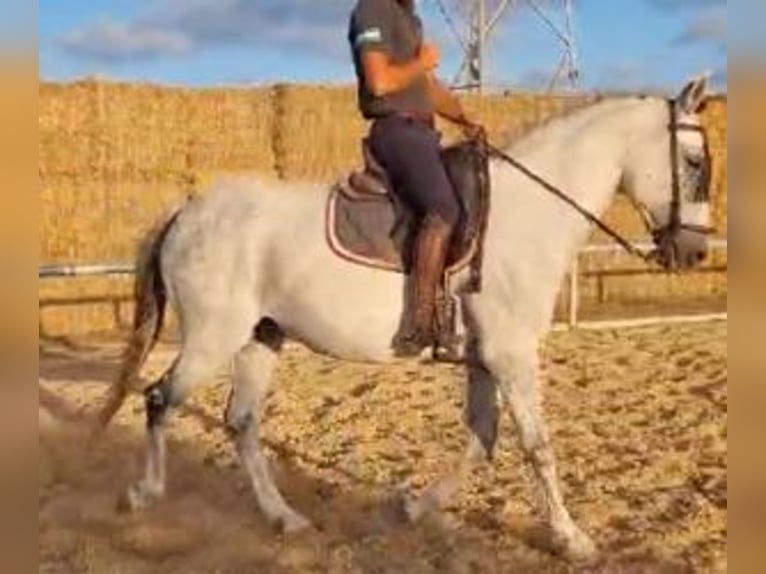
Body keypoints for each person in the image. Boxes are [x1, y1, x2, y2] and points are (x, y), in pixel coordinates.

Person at [349, 0, 483, 357]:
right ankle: (419, 326)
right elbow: (379, 82)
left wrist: (465, 119)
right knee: (443, 208)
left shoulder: (411, 19)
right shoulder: (373, 9)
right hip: (396, 128)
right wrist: (421, 62)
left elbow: (428, 86)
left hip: (422, 132)